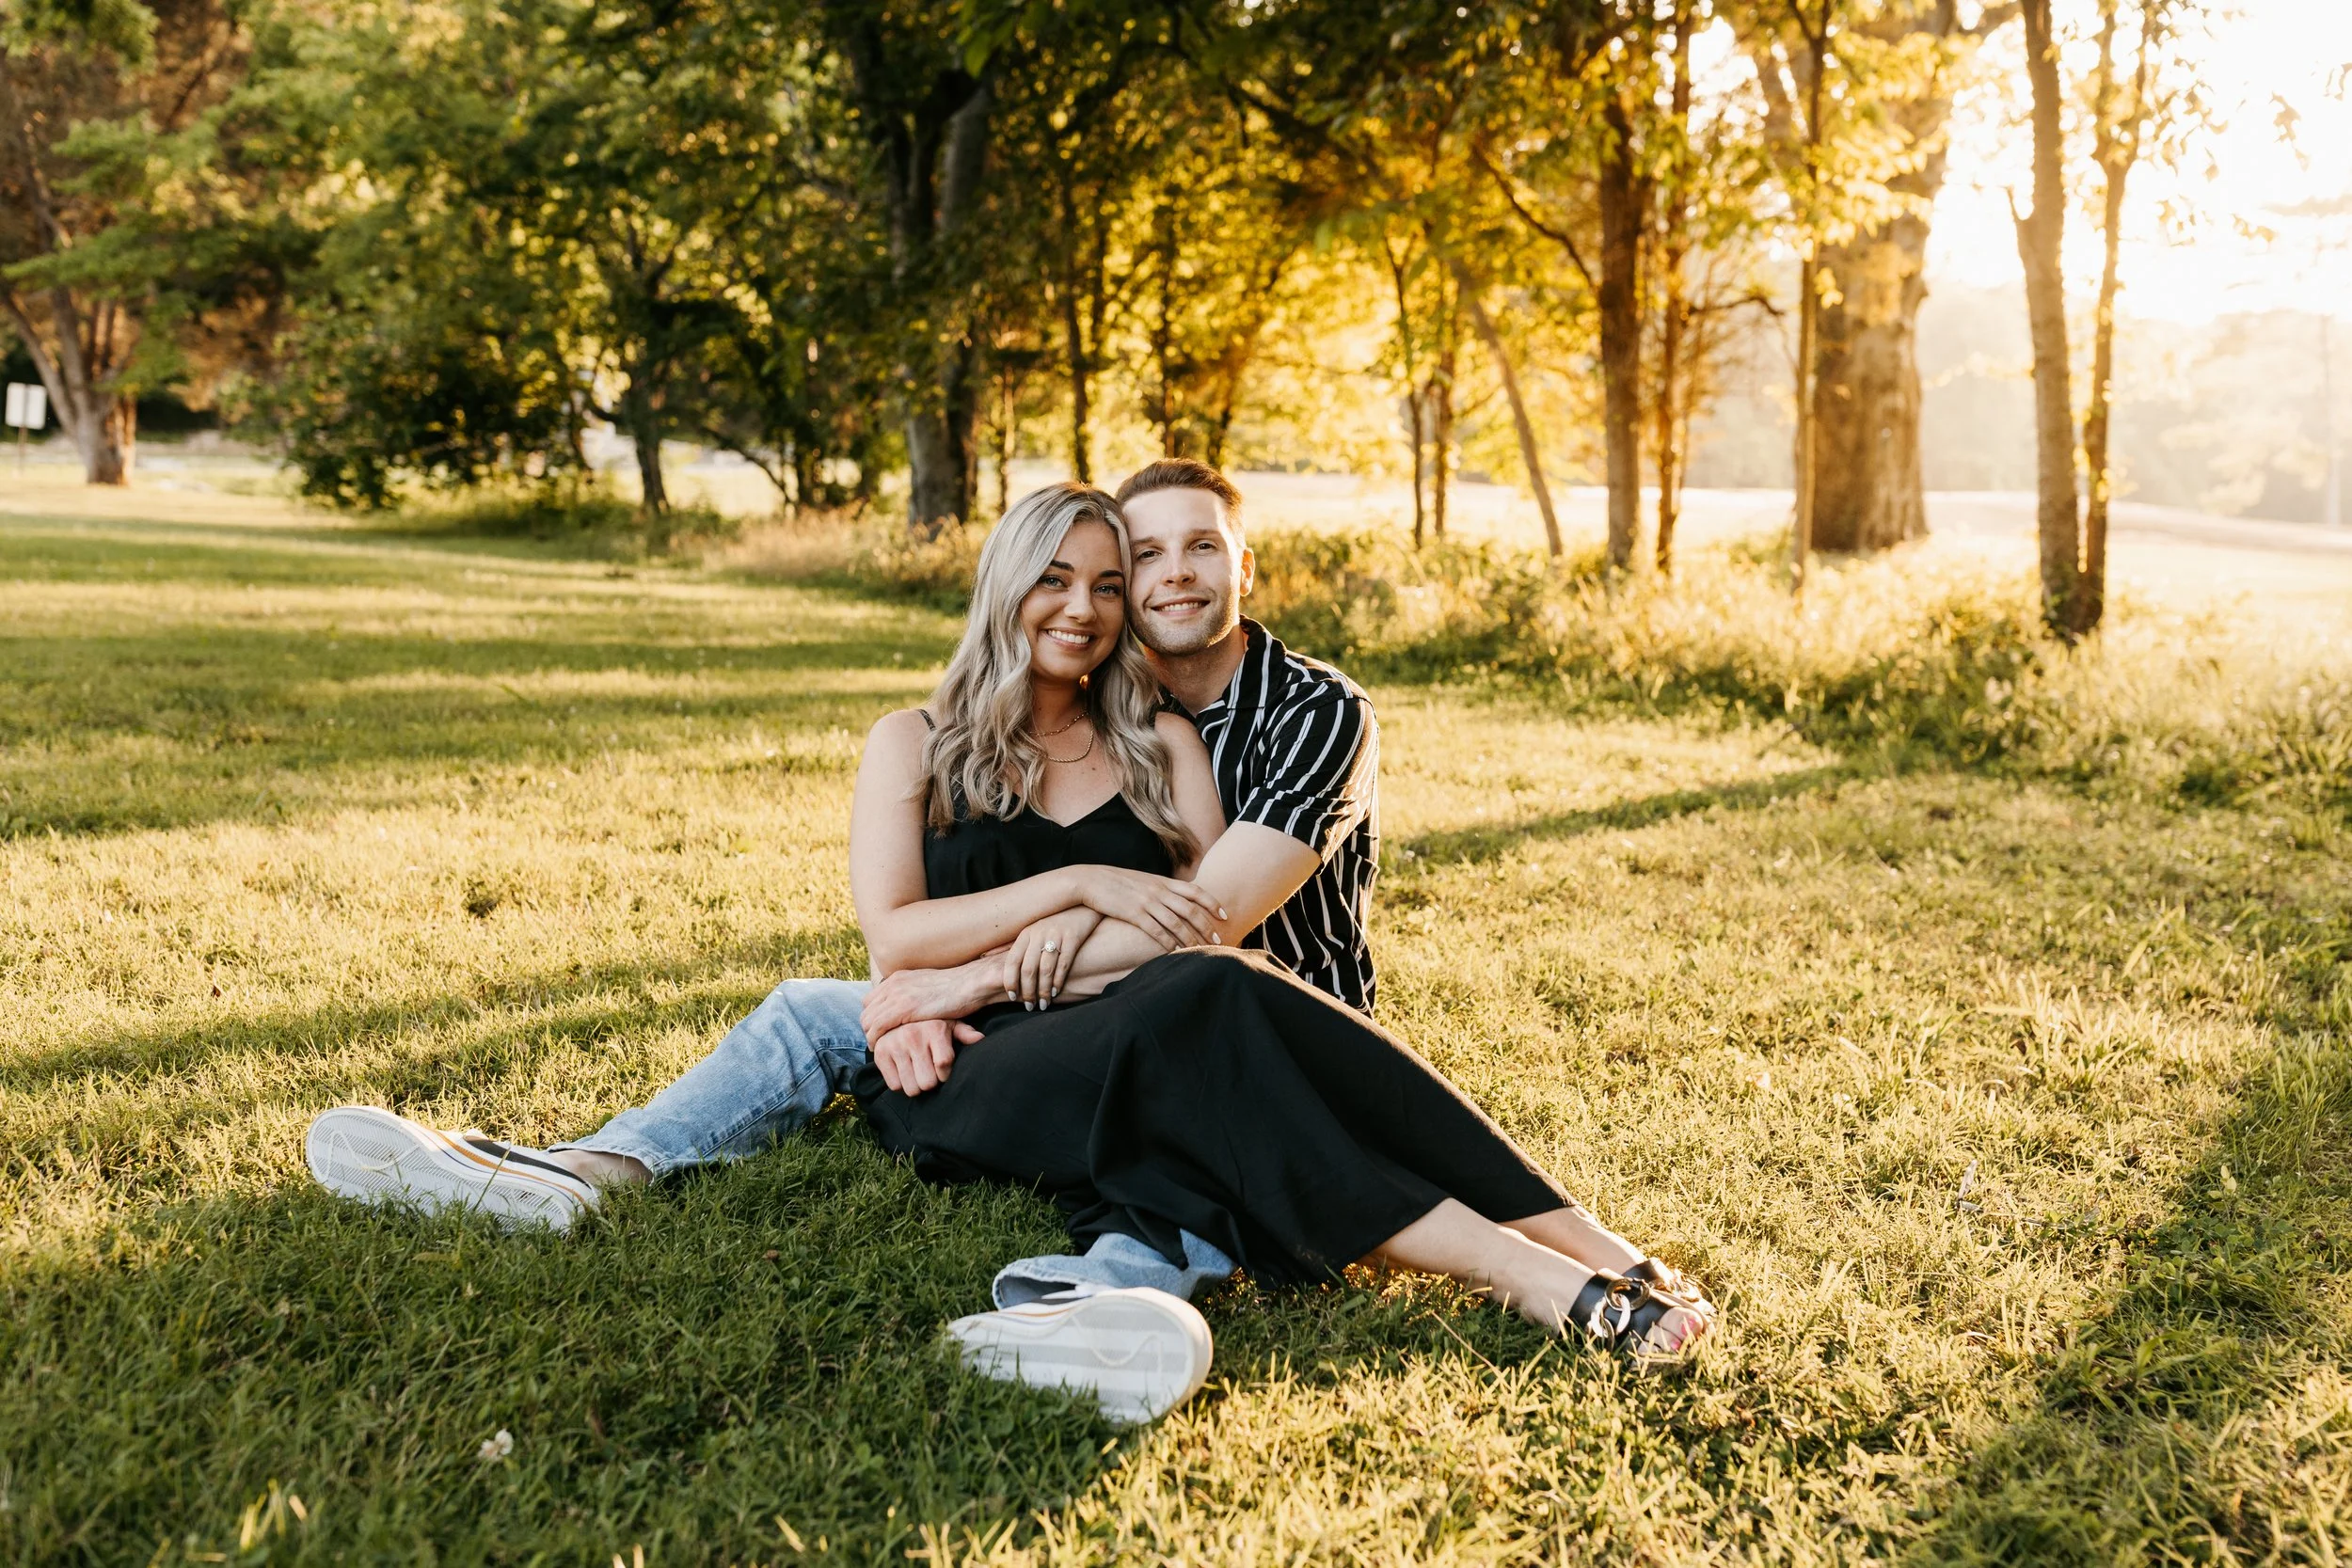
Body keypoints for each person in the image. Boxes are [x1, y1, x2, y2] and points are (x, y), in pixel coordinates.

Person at [307, 473, 1715, 1418]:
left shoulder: (1162, 742)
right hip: (958, 1061)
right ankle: (578, 1173)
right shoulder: (908, 743)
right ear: (1005, 584)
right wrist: (1030, 930)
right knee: (893, 1002)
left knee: (1205, 1012)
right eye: (1062, 576)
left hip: (1090, 1034)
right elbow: (895, 936)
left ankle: (1090, 1300)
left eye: (1109, 583)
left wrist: (1003, 953)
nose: (1088, 606)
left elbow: (1184, 938)